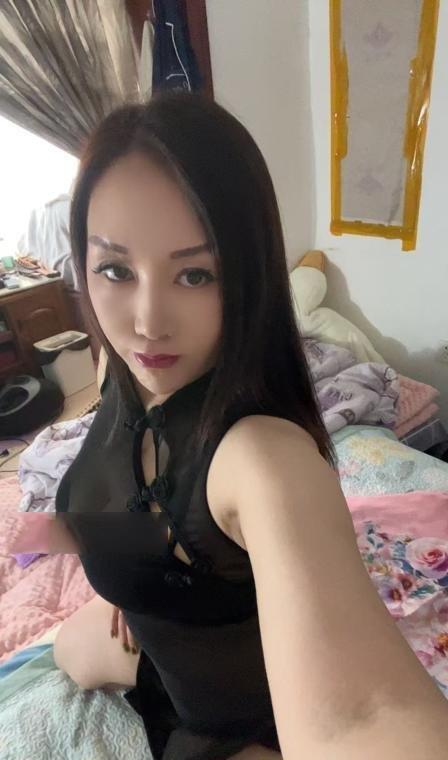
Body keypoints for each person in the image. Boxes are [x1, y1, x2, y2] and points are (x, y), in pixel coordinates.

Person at [52, 92, 448, 760]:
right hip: (157, 650)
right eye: (116, 269)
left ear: (249, 277)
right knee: (67, 648)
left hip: (236, 723)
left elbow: (362, 718)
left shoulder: (265, 457)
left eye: (194, 274)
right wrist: (134, 574)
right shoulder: (122, 365)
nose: (147, 322)